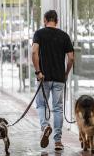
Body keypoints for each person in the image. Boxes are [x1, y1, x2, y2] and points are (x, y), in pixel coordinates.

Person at [32, 10, 74, 150]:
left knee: (41, 104)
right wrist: (66, 73)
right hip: (59, 78)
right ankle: (58, 141)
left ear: (45, 20)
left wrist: (38, 71)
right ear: (57, 21)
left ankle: (45, 126)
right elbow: (71, 58)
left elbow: (34, 52)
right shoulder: (64, 36)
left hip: (44, 77)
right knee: (57, 109)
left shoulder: (39, 34)